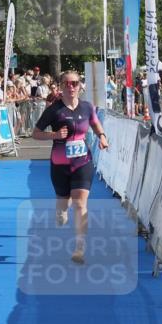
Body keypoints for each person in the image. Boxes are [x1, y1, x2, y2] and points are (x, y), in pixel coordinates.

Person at [31, 70, 109, 264]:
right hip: (60, 163)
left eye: (74, 83)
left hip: (83, 161)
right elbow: (36, 133)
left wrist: (102, 136)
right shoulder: (54, 109)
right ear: (60, 86)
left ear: (80, 85)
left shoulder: (87, 107)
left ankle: (79, 248)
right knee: (63, 205)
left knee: (80, 204)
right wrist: (54, 136)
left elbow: (96, 124)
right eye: (66, 83)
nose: (71, 87)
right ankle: (61, 212)